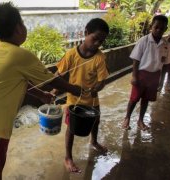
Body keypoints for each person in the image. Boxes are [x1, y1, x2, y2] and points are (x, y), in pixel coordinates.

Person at [0, 2, 82, 180]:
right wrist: (75, 88)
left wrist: (41, 95)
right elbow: (51, 80)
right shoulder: (20, 55)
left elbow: (20, 82)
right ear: (19, 28)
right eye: (23, 23)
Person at [54, 18, 110, 173]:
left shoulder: (99, 57)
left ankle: (94, 141)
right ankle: (68, 157)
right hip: (73, 100)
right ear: (86, 33)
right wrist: (53, 91)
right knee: (71, 129)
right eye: (95, 38)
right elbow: (58, 75)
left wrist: (96, 89)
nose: (98, 43)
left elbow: (102, 80)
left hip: (92, 99)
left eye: (101, 41)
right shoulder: (71, 55)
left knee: (96, 121)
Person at [122, 15, 170, 131]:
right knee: (134, 99)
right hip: (141, 74)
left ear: (166, 28)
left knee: (146, 99)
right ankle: (127, 118)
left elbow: (165, 65)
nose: (159, 30)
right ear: (151, 27)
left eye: (162, 28)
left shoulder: (166, 45)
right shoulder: (143, 41)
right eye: (156, 27)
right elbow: (136, 60)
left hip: (155, 76)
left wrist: (161, 81)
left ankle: (140, 120)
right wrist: (134, 76)